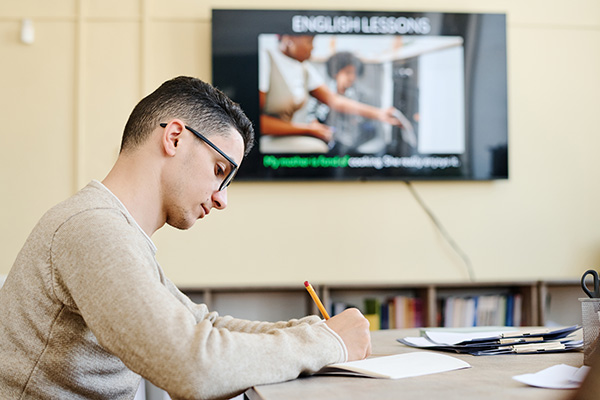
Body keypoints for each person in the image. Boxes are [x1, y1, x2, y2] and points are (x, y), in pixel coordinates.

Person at [0, 76, 371, 400]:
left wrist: (311, 330)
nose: (222, 199)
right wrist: (327, 343)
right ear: (175, 137)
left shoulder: (117, 230)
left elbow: (200, 324)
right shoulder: (91, 229)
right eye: (219, 171)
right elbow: (192, 370)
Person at [259, 34, 402, 154]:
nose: (313, 47)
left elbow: (334, 101)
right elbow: (253, 121)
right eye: (310, 42)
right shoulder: (265, 59)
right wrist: (309, 129)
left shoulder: (303, 67)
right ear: (289, 38)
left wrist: (379, 114)